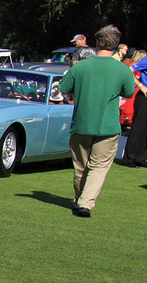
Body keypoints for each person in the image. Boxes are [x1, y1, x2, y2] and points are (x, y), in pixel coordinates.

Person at [59, 25, 135, 216]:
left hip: (82, 124)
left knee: (81, 167)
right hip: (108, 125)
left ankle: (80, 199)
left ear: (98, 42)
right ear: (116, 44)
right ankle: (85, 201)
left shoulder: (82, 66)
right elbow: (129, 91)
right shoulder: (122, 69)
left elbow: (64, 86)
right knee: (98, 167)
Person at [120, 47, 147, 168]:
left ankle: (141, 157)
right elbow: (128, 70)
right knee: (138, 128)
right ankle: (129, 158)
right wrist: (140, 85)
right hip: (144, 97)